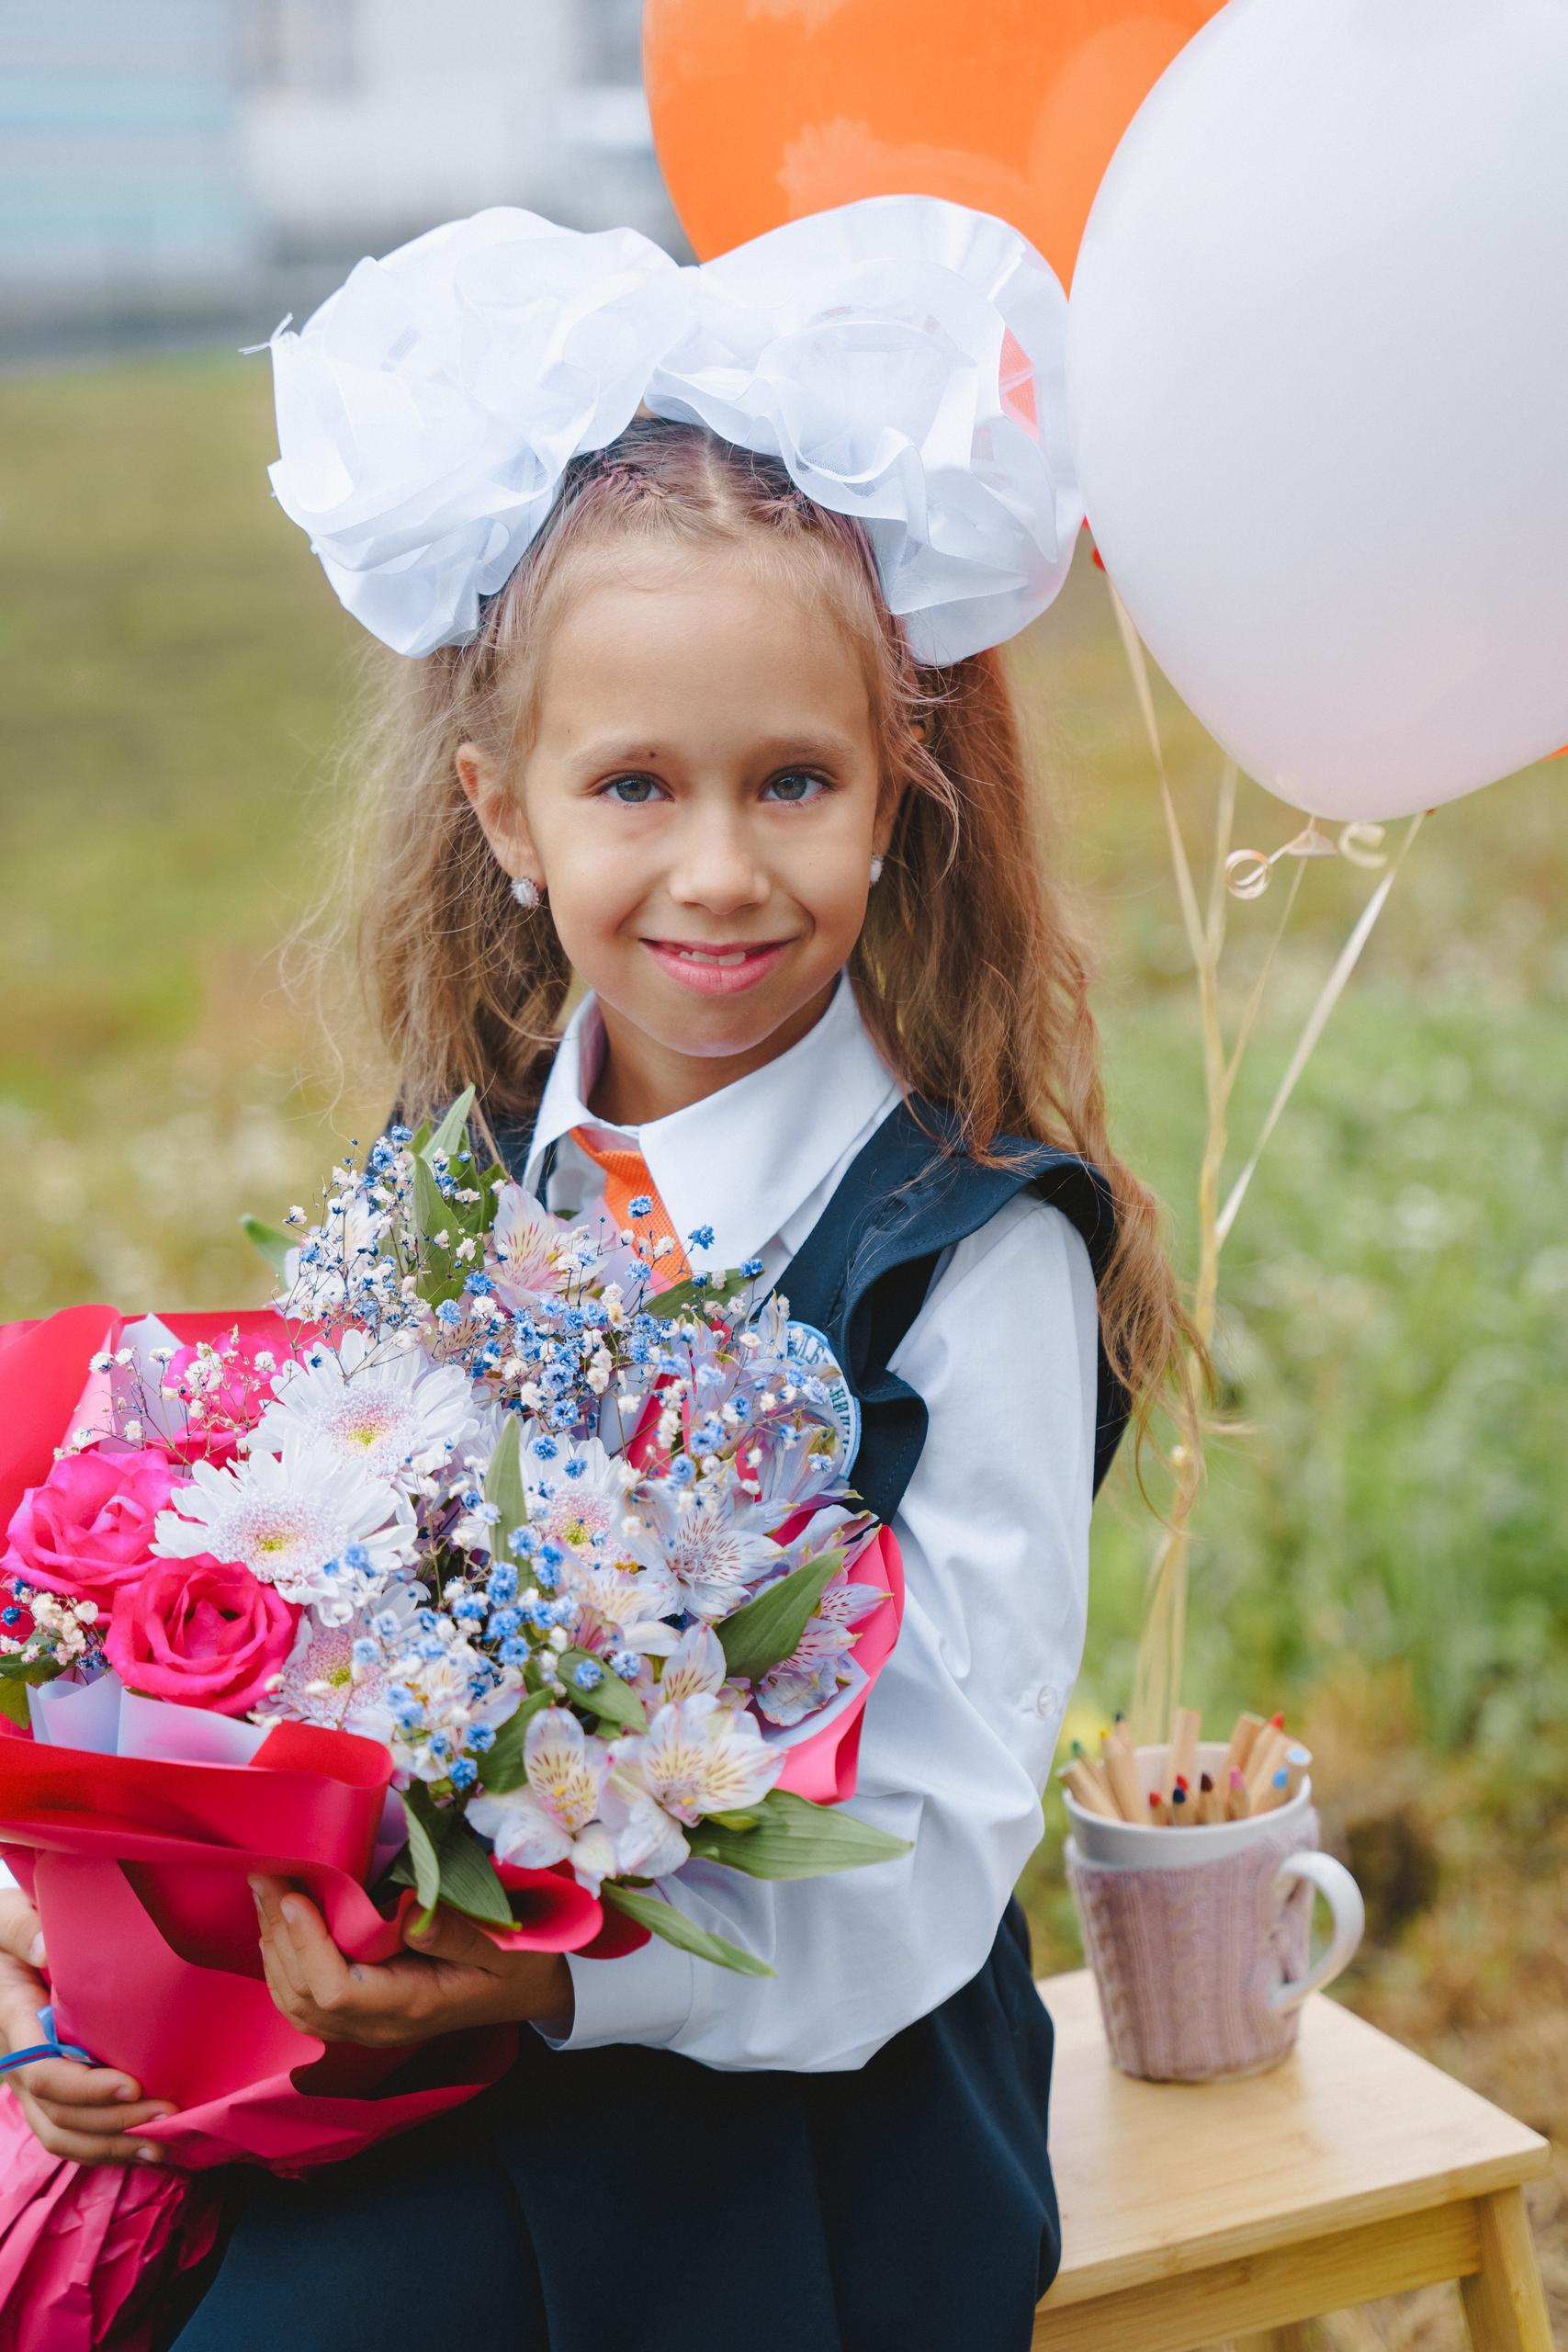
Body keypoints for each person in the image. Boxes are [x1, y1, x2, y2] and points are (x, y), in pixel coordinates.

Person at [0, 197, 1201, 2349]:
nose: (719, 869)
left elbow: (923, 1848)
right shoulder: (464, 1172)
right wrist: (150, 1963)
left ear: (894, 786)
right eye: (633, 783)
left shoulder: (962, 1244)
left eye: (793, 782)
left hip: (791, 2138)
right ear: (504, 808)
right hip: (434, 2059)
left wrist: (550, 1978)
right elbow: (330, 1679)